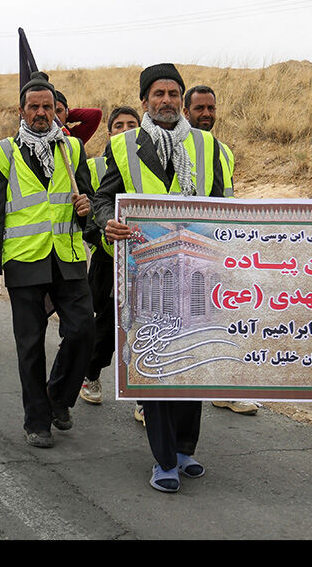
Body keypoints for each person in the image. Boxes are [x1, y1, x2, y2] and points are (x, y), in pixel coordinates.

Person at [94, 64, 225, 493]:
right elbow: (103, 199)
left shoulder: (209, 147)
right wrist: (106, 223)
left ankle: (186, 448)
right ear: (145, 99)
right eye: (158, 94)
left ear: (182, 99)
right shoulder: (122, 146)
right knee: (155, 367)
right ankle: (164, 459)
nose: (166, 100)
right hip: (145, 273)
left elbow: (225, 206)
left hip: (199, 271)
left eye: (173, 93)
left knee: (192, 364)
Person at [0, 77, 96, 448]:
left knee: (83, 331)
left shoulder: (73, 149)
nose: (42, 113)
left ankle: (58, 398)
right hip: (24, 261)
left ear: (56, 110)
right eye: (34, 107)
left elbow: (87, 205)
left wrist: (86, 209)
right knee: (29, 345)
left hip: (69, 258)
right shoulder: (1, 154)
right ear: (21, 111)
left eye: (48, 107)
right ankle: (37, 421)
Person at [182, 84, 262, 418]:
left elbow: (227, 200)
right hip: (183, 250)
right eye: (199, 108)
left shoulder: (224, 151)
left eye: (210, 108)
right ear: (186, 112)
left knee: (222, 321)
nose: (206, 114)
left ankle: (224, 389)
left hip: (218, 249)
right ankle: (154, 399)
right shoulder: (173, 144)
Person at [79, 106, 140, 407]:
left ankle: (147, 398)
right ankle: (91, 373)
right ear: (109, 131)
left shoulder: (150, 164)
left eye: (132, 124)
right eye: (119, 125)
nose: (125, 130)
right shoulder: (94, 168)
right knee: (104, 324)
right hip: (106, 260)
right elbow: (90, 214)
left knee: (144, 325)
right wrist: (105, 234)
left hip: (145, 260)